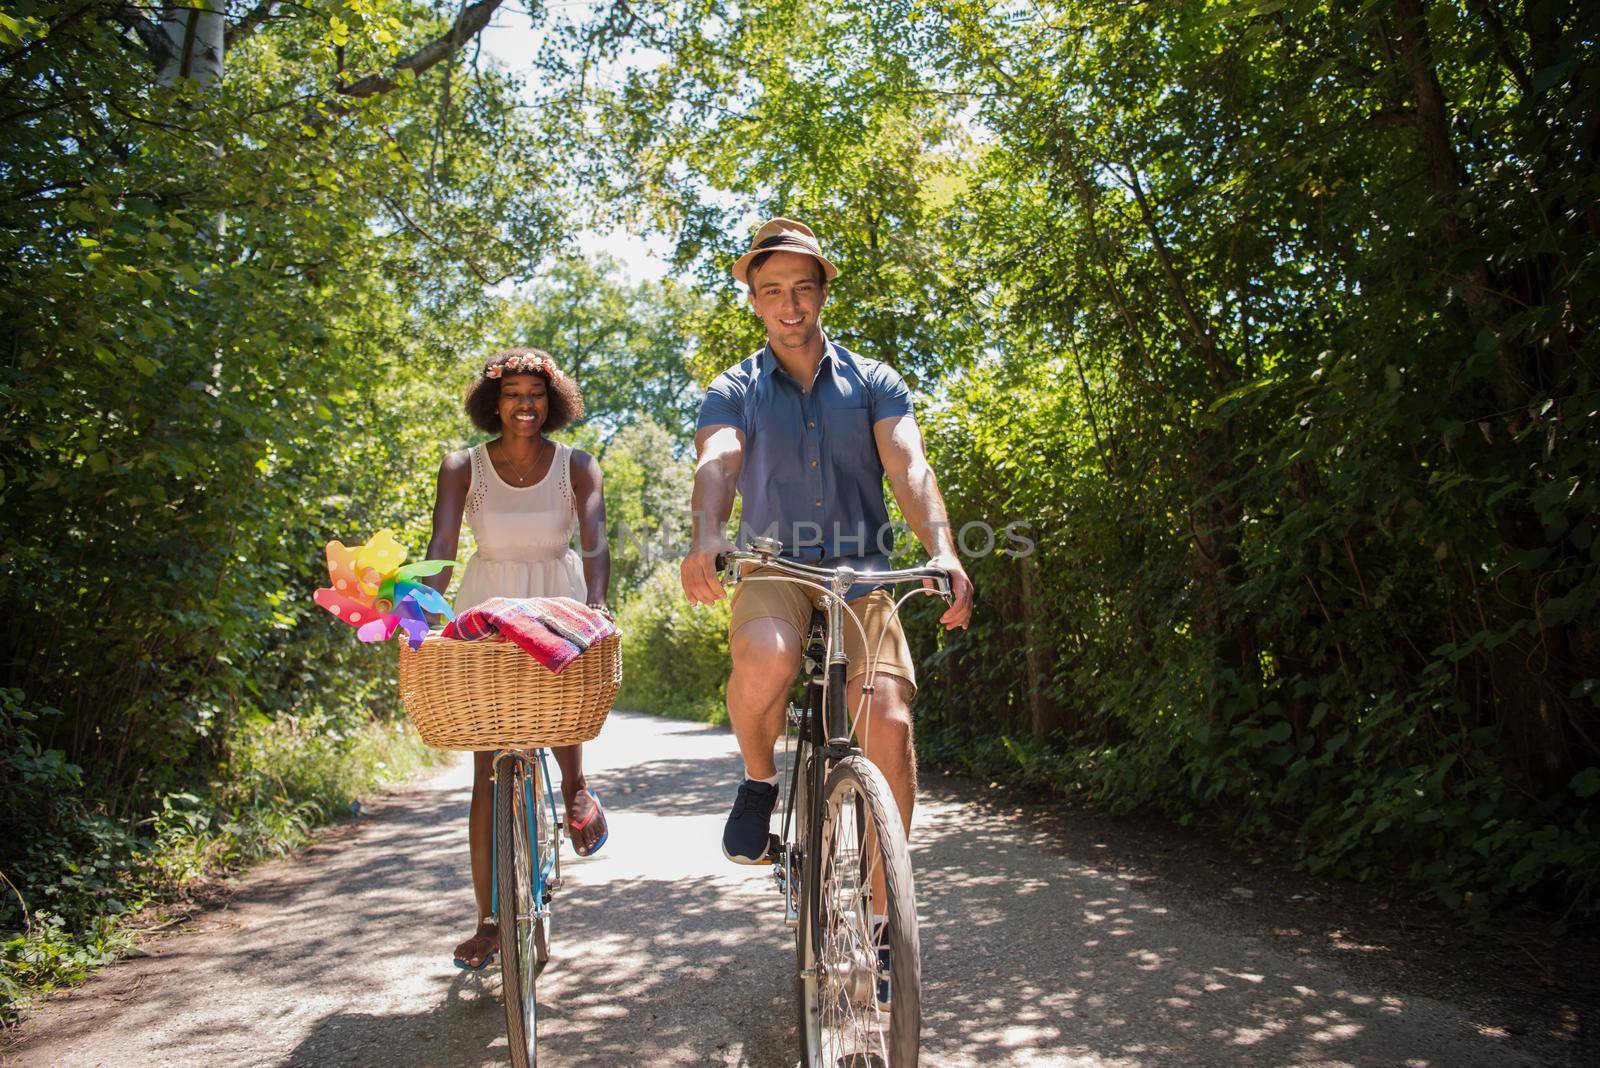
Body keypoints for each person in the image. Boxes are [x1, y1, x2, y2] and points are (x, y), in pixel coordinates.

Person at [679, 217, 975, 873]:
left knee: (890, 721)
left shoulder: (874, 381)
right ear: (754, 300)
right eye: (774, 289)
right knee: (767, 657)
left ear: (822, 294)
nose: (791, 304)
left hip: (864, 571)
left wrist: (944, 550)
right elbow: (718, 463)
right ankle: (760, 782)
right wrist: (707, 536)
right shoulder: (735, 389)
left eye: (803, 288)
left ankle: (880, 924)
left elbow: (909, 466)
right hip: (773, 566)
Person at [422, 347, 611, 971]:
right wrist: (420, 609)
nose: (524, 404)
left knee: (558, 715)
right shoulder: (462, 467)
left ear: (551, 402)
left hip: (558, 605)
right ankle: (489, 920)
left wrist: (601, 605)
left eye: (536, 393)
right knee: (487, 765)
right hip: (487, 608)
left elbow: (595, 543)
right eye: (513, 394)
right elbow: (444, 547)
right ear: (493, 403)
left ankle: (577, 787)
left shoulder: (578, 466)